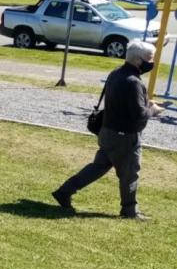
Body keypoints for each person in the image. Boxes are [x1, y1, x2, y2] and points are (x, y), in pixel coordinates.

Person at [52, 40, 165, 220]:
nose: (152, 63)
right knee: (130, 173)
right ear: (137, 61)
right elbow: (139, 115)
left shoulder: (115, 74)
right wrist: (153, 109)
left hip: (108, 132)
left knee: (98, 167)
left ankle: (64, 191)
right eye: (149, 59)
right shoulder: (134, 82)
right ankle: (130, 211)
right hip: (125, 137)